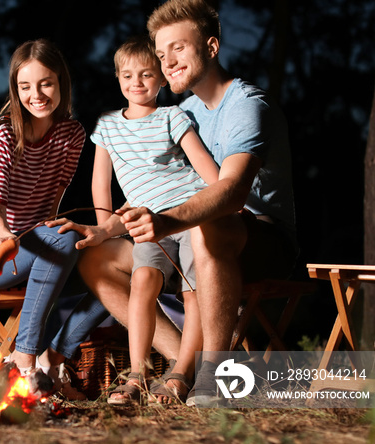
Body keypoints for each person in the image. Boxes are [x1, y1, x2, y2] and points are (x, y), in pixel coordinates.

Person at [48, 0, 297, 406]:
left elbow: (231, 193)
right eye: (161, 54)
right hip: (189, 231)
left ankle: (213, 377)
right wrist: (106, 227)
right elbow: (157, 183)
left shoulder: (247, 106)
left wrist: (165, 222)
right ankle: (177, 366)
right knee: (97, 259)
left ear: (212, 48)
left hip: (261, 237)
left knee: (206, 226)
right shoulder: (182, 111)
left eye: (178, 48)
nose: (167, 62)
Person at [0, 39, 97, 400]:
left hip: (33, 248)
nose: (36, 95)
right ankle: (23, 357)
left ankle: (51, 358)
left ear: (61, 83)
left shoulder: (71, 135)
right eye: (25, 86)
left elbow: (54, 202)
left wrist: (66, 241)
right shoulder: (2, 135)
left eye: (46, 84)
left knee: (119, 265)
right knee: (62, 241)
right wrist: (5, 238)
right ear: (15, 88)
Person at [89, 36, 219, 405]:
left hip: (190, 216)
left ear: (162, 79)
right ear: (117, 79)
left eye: (147, 74)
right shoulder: (108, 127)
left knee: (193, 292)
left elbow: (203, 165)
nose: (137, 82)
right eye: (128, 75)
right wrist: (102, 227)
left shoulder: (171, 116)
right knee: (143, 280)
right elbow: (101, 183)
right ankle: (137, 374)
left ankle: (180, 375)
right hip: (147, 227)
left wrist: (222, 199)